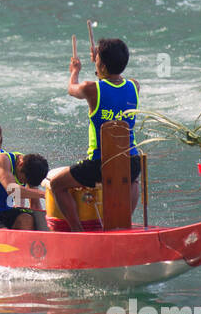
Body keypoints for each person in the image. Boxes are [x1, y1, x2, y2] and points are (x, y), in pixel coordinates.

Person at [47, 37, 142, 232]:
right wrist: (101, 66)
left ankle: (77, 231)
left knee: (57, 184)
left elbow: (72, 89)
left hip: (99, 164)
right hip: (131, 161)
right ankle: (123, 224)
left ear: (103, 66)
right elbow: (112, 89)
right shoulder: (135, 86)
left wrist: (75, 71)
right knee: (133, 181)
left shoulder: (91, 89)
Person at [0, 151, 49, 229]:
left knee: (27, 220)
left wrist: (42, 227)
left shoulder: (32, 168)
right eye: (24, 180)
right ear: (20, 165)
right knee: (4, 232)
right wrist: (44, 194)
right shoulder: (2, 160)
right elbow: (11, 189)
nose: (23, 183)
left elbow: (35, 205)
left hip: (7, 211)